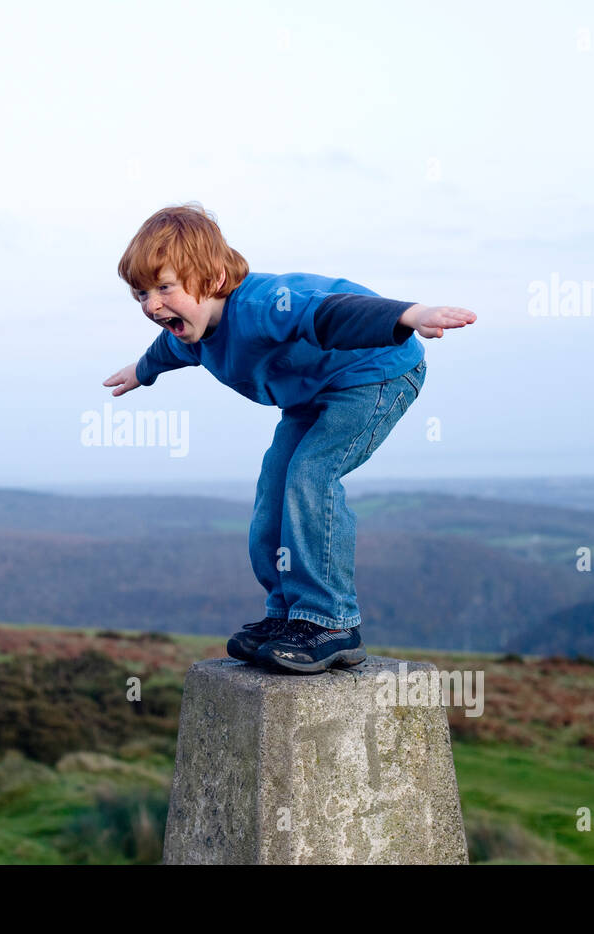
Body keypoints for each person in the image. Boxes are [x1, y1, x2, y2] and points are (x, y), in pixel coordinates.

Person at [103, 202, 477, 674]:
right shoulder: (190, 331)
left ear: (213, 278)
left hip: (375, 374)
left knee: (311, 474)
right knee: (274, 487)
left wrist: (410, 314)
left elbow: (334, 314)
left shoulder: (265, 306)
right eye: (140, 294)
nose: (151, 305)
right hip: (313, 394)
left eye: (163, 288)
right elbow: (172, 348)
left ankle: (330, 621)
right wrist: (142, 371)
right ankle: (287, 616)